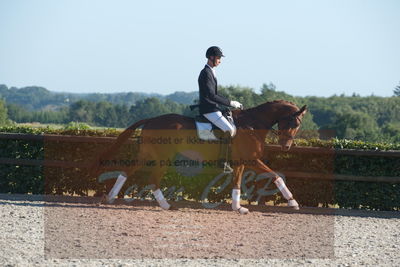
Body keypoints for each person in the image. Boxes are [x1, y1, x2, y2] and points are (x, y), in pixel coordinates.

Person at [198, 46, 243, 172]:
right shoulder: (206, 72)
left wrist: (229, 103)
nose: (220, 61)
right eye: (218, 58)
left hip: (214, 108)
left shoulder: (211, 71)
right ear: (211, 57)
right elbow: (211, 95)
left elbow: (215, 95)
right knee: (229, 129)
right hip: (208, 109)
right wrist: (230, 103)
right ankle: (222, 162)